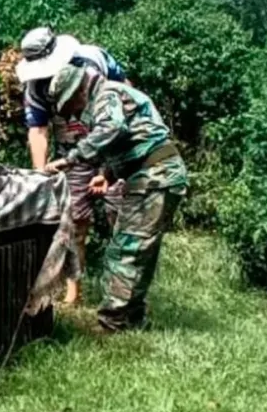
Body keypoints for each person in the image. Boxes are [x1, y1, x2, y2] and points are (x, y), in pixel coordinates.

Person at [44, 64, 187, 333]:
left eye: (71, 106)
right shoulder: (114, 93)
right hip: (155, 174)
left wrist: (69, 160)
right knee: (138, 251)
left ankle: (113, 323)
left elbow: (113, 128)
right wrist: (107, 174)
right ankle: (132, 319)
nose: (73, 113)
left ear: (79, 92)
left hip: (154, 176)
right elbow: (133, 137)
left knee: (125, 250)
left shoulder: (106, 95)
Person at [16, 26, 129, 305]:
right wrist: (40, 173)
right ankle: (73, 291)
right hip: (70, 154)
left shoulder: (93, 60)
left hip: (113, 146)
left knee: (121, 215)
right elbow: (38, 130)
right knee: (74, 221)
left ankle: (123, 292)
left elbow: (126, 94)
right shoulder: (35, 87)